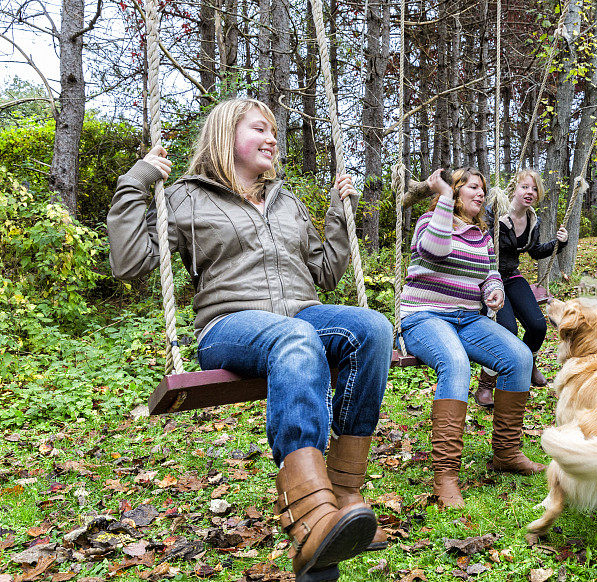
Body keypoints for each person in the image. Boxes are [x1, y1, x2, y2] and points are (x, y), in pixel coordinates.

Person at [107, 98, 393, 582]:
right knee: (297, 337)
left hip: (301, 314)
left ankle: (343, 493)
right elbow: (131, 264)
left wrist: (338, 218)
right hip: (230, 324)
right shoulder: (185, 198)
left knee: (374, 329)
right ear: (226, 133)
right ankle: (309, 517)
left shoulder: (286, 200)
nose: (273, 139)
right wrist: (136, 183)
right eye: (260, 128)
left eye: (275, 132)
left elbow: (324, 274)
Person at [398, 167, 538, 510]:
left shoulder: (482, 234)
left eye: (483, 188)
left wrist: (494, 291)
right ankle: (445, 474)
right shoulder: (429, 223)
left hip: (467, 318)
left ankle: (506, 453)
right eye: (473, 187)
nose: (481, 193)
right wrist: (443, 199)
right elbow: (434, 252)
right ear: (455, 192)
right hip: (424, 316)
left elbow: (491, 273)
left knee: (520, 357)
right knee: (456, 362)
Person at [473, 169, 568, 408]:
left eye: (534, 189)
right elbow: (477, 232)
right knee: (507, 330)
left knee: (537, 325)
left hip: (512, 277)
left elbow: (535, 252)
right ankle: (486, 384)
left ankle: (529, 362)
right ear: (514, 189)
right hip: (489, 278)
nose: (530, 192)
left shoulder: (533, 221)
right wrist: (492, 212)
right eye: (525, 187)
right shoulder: (496, 213)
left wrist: (560, 244)